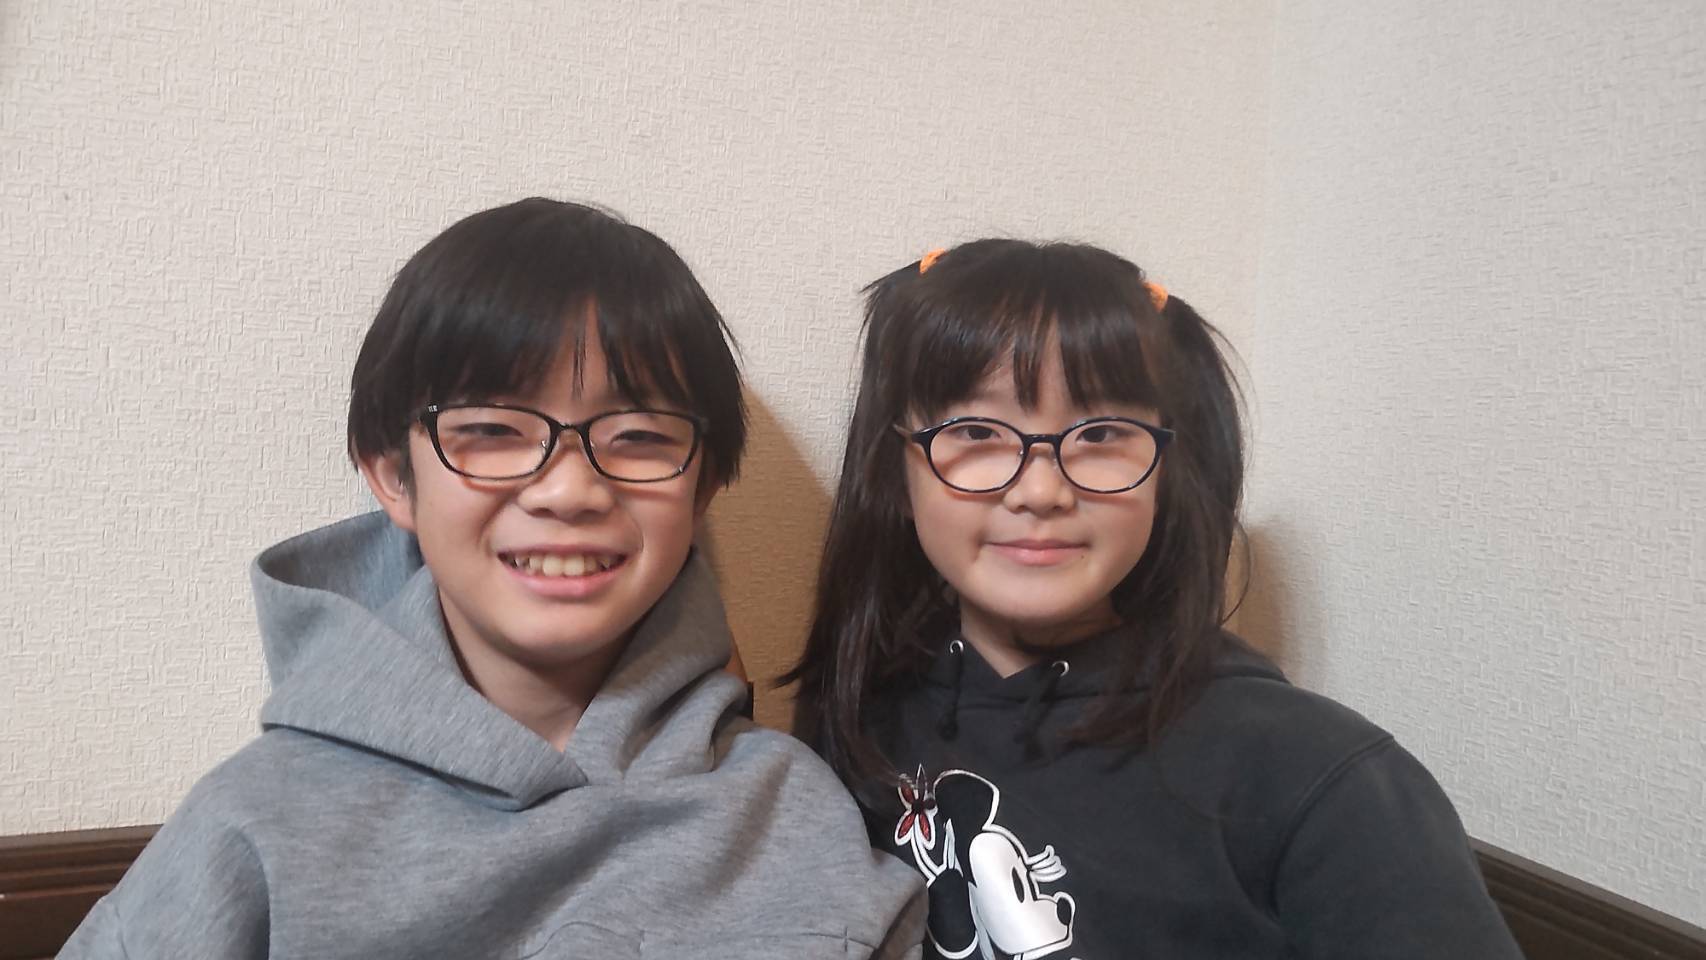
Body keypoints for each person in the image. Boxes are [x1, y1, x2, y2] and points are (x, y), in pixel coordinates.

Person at [62, 198, 923, 959]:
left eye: (638, 437)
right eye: (492, 431)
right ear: (392, 476)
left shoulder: (791, 813)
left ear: (702, 492)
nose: (569, 491)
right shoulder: (255, 827)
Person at [788, 238, 1521, 958]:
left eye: (1101, 432)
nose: (1040, 490)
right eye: (976, 430)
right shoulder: (855, 711)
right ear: (897, 471)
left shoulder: (1316, 777)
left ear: (1168, 470)